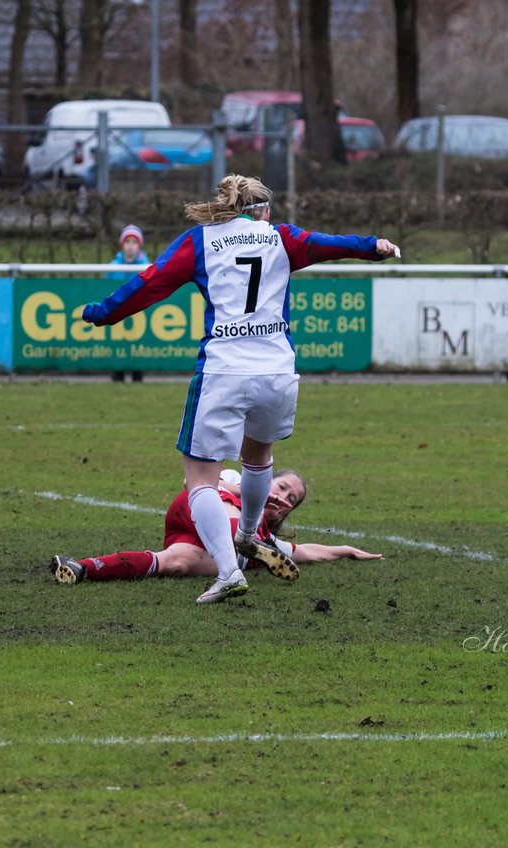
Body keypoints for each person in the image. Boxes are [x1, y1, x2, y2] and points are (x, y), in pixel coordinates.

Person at [81, 174, 399, 604]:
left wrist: (102, 313)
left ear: (226, 206)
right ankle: (249, 534)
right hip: (277, 371)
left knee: (201, 479)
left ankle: (229, 571)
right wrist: (372, 246)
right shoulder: (280, 237)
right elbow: (329, 243)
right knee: (258, 457)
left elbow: (148, 284)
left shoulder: (201, 240)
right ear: (264, 210)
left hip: (224, 369)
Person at [49, 468, 382, 584]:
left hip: (193, 541)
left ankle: (81, 569)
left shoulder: (269, 533)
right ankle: (243, 543)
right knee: (233, 518)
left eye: (291, 499)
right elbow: (191, 481)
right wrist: (242, 490)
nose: (283, 498)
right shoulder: (236, 481)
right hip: (196, 510)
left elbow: (306, 551)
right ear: (265, 477)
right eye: (281, 487)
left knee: (175, 563)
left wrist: (347, 551)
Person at [106, 224, 150, 383]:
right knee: (118, 342)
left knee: (138, 342)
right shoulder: (113, 267)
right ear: (122, 244)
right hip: (118, 312)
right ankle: (117, 375)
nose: (130, 246)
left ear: (139, 245)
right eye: (127, 241)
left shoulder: (147, 267)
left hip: (138, 314)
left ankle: (138, 375)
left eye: (134, 242)